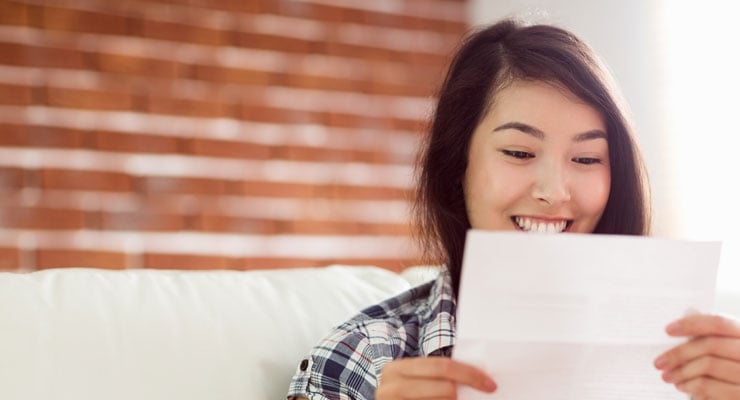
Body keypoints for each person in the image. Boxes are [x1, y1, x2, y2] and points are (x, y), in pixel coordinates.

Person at [286, 19, 740, 400]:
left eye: (585, 159)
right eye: (520, 153)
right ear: (457, 164)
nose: (554, 192)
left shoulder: (695, 358)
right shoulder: (363, 358)